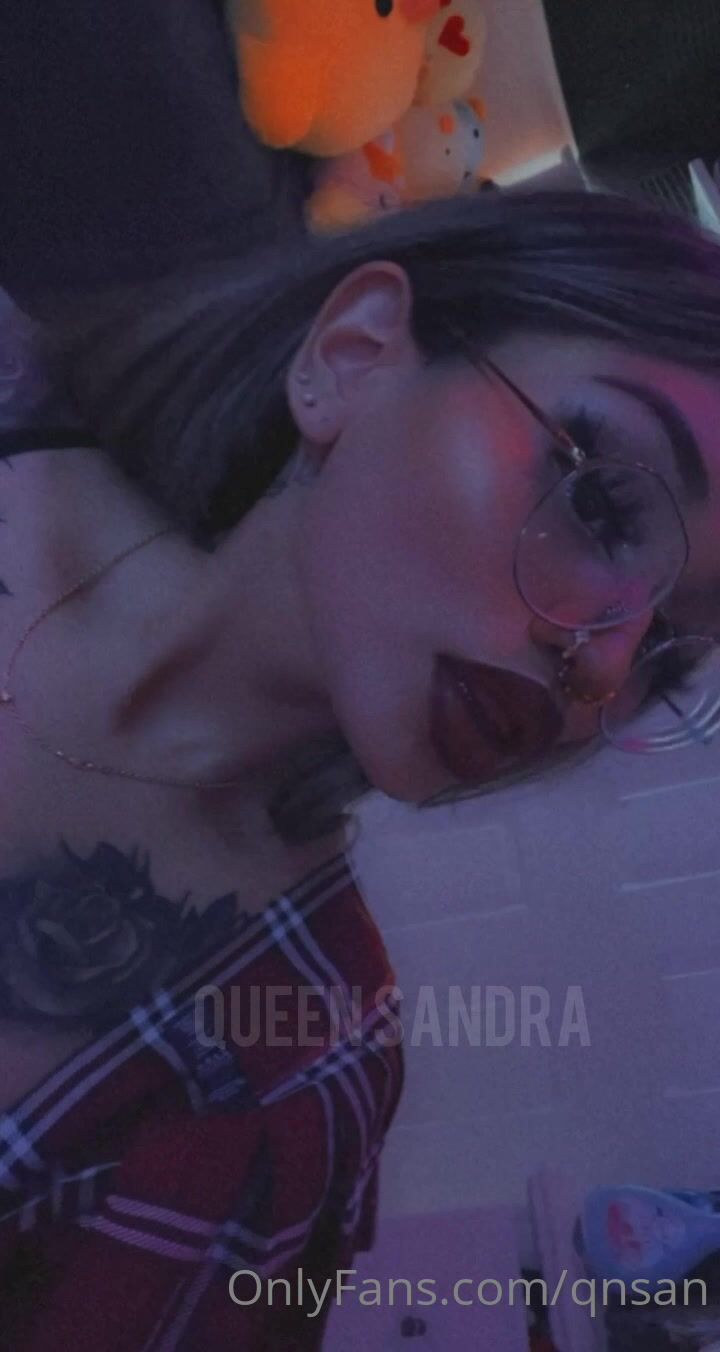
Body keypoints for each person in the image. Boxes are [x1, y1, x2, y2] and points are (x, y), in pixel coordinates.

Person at [1, 4, 720, 1350]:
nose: (604, 661)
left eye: (670, 647)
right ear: (356, 356)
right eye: (604, 502)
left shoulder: (290, 1078)